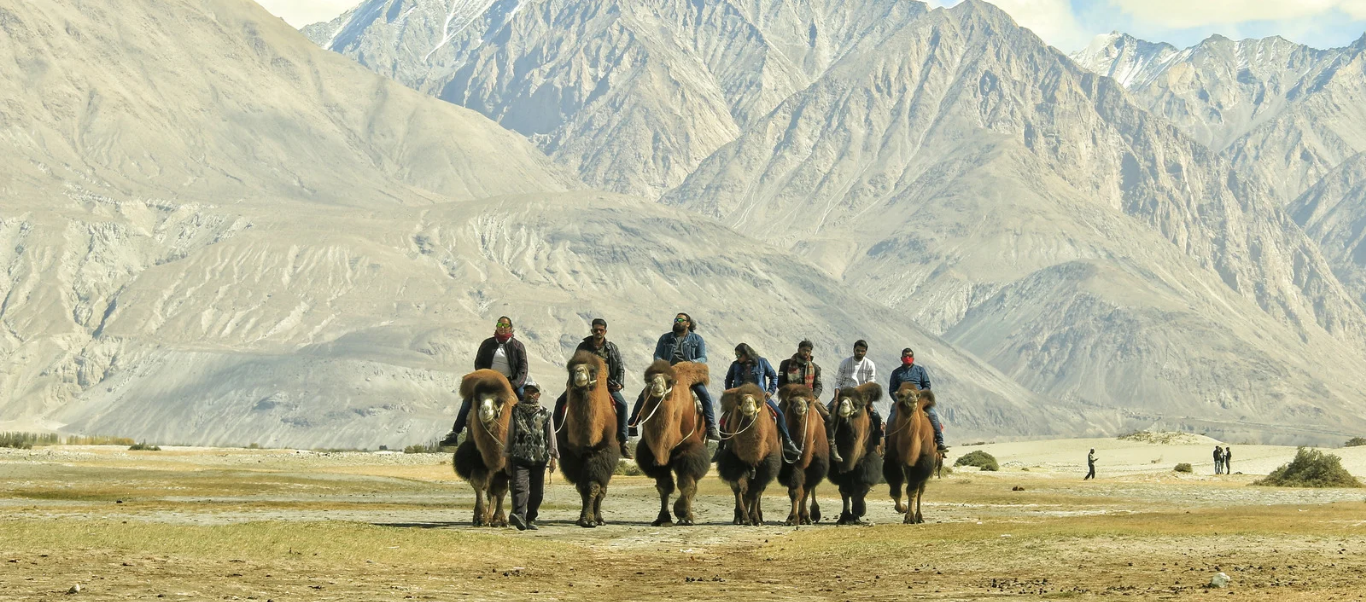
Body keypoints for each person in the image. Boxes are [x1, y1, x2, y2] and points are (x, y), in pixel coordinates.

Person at [629, 313, 721, 440]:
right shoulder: (665, 338)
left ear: (688, 323)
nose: (677, 322)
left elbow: (703, 357)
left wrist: (691, 363)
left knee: (704, 394)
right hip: (668, 373)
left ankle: (711, 427)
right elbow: (657, 354)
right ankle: (633, 423)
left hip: (688, 374)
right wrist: (663, 365)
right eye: (675, 320)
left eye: (680, 320)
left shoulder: (697, 339)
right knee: (646, 392)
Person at [441, 316, 530, 447]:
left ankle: (528, 434)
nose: (502, 327)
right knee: (467, 401)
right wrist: (484, 377)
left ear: (511, 328)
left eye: (505, 325)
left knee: (523, 399)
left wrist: (515, 384)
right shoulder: (487, 344)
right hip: (488, 382)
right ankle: (455, 433)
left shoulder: (518, 346)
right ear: (496, 326)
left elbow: (523, 368)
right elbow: (479, 362)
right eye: (500, 324)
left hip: (510, 382)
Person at [554, 318, 632, 459]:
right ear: (592, 331)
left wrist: (620, 383)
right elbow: (574, 365)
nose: (598, 332)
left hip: (606, 385)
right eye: (595, 330)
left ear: (605, 331)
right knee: (560, 402)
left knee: (623, 406)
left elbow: (620, 367)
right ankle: (553, 439)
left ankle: (623, 441)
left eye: (601, 330)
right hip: (583, 385)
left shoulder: (612, 348)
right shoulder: (583, 347)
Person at [721, 343, 801, 460]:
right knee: (724, 418)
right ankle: (721, 446)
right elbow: (728, 379)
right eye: (736, 355)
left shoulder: (762, 362)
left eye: (739, 355)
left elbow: (773, 376)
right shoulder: (735, 365)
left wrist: (770, 391)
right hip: (740, 399)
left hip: (760, 397)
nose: (737, 357)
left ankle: (788, 442)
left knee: (779, 414)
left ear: (747, 354)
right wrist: (730, 392)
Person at [505, 383, 557, 531]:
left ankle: (531, 518)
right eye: (527, 391)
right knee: (519, 487)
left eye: (533, 392)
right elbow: (510, 434)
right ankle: (519, 515)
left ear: (538, 395)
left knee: (537, 492)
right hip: (519, 457)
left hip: (540, 459)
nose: (530, 394)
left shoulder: (546, 414)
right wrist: (507, 456)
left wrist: (553, 458)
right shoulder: (515, 411)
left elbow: (551, 436)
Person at [828, 340, 877, 463]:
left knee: (876, 417)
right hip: (844, 395)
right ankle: (829, 445)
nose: (860, 352)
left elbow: (871, 385)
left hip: (861, 398)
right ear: (853, 350)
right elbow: (838, 382)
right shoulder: (845, 363)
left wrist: (868, 403)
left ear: (866, 352)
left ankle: (874, 447)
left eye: (862, 351)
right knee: (827, 415)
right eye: (858, 350)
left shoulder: (870, 364)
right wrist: (835, 399)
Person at [887, 348, 944, 452]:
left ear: (913, 358)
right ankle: (888, 445)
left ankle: (940, 441)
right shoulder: (896, 373)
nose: (907, 358)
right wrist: (898, 400)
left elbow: (927, 385)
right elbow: (892, 390)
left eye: (909, 356)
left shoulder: (920, 370)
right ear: (901, 358)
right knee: (891, 418)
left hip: (918, 400)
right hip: (902, 401)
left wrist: (920, 395)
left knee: (932, 414)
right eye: (905, 356)